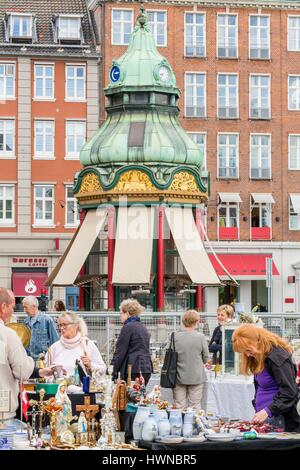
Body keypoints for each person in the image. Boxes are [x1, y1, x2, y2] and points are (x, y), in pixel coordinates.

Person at [233, 324, 300, 432]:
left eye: (249, 350)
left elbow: (289, 392)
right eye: (244, 352)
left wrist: (267, 411)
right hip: (269, 418)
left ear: (257, 342)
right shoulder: (261, 355)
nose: (247, 355)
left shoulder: (277, 357)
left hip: (281, 420)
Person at [0, 288, 54, 420]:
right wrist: (31, 362)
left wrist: (40, 371)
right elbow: (21, 370)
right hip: (2, 411)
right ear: (3, 307)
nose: (14, 311)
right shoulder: (7, 335)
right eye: (12, 307)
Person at [46, 311, 106, 378]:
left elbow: (103, 369)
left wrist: (90, 365)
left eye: (65, 324)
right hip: (59, 387)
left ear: (76, 325)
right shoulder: (54, 348)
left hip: (82, 387)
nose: (61, 328)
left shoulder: (87, 345)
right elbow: (45, 372)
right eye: (60, 325)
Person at [172, 310, 209, 411]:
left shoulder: (175, 336)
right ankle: (193, 425)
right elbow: (206, 358)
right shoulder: (200, 337)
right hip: (196, 376)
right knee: (195, 406)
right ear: (196, 321)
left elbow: (168, 353)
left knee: (179, 405)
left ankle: (178, 426)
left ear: (183, 321)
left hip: (178, 375)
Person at [111, 299, 152, 385]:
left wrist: (114, 372)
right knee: (140, 395)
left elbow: (120, 351)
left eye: (121, 313)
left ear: (127, 313)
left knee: (130, 396)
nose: (120, 316)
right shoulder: (143, 327)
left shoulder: (127, 327)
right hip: (146, 367)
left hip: (132, 368)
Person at [23, 295, 59, 361]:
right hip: (28, 361)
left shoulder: (47, 320)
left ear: (34, 306)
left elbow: (55, 342)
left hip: (43, 361)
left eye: (26, 307)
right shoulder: (25, 322)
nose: (24, 310)